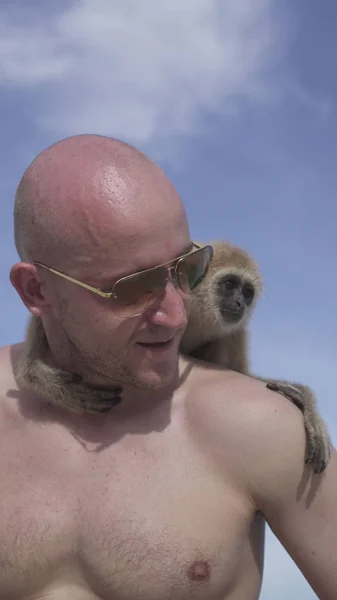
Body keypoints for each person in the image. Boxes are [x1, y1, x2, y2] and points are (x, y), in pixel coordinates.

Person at [1, 134, 336, 600]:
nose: (176, 316)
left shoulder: (260, 427)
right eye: (129, 289)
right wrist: (38, 373)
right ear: (36, 292)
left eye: (186, 270)